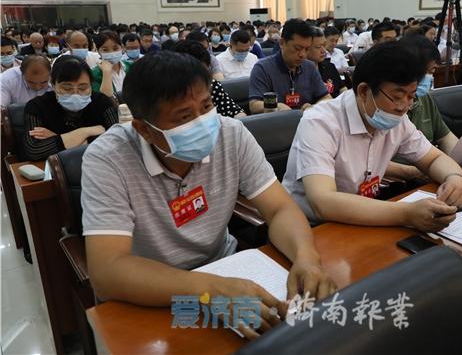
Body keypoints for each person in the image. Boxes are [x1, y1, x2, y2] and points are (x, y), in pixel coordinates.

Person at [81, 51, 335, 338]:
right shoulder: (107, 159)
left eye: (206, 106)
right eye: (185, 116)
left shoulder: (230, 134)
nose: (203, 123)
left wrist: (306, 257)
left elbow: (279, 209)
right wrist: (208, 289)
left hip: (226, 268)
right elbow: (108, 271)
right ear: (144, 129)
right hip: (151, 289)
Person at [282, 41, 462, 229]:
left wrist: (454, 179)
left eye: (411, 97)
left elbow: (433, 158)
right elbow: (323, 202)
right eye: (397, 97)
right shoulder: (320, 122)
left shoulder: (396, 117)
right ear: (364, 91)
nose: (404, 106)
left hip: (367, 216)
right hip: (313, 226)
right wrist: (406, 214)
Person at [384, 36, 459, 185]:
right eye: (426, 72)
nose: (405, 104)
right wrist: (414, 173)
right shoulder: (383, 107)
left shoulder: (424, 98)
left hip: (422, 176)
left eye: (431, 72)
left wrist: (457, 166)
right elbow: (368, 164)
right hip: (393, 183)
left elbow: (443, 138)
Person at [23, 55, 117, 161]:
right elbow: (34, 150)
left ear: (91, 85)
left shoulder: (102, 102)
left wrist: (58, 138)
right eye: (67, 88)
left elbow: (118, 141)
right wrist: (87, 132)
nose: (75, 93)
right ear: (53, 85)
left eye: (83, 88)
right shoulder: (37, 106)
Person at [249, 19, 332, 113]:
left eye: (307, 49)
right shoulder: (263, 68)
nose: (303, 55)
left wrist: (314, 108)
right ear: (282, 43)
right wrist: (277, 106)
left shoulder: (309, 66)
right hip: (278, 124)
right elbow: (254, 105)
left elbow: (326, 97)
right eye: (297, 48)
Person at [174, 40, 246, 118]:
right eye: (194, 75)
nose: (199, 80)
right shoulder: (167, 95)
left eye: (204, 73)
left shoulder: (212, 85)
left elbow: (235, 111)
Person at [91, 31, 132, 100]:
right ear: (98, 51)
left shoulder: (131, 66)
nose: (111, 53)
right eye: (105, 50)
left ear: (121, 48)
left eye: (115, 48)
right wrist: (106, 73)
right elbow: (103, 101)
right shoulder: (94, 74)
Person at [307, 28, 346, 99]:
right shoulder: (301, 72)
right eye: (318, 47)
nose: (323, 51)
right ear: (306, 49)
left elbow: (342, 89)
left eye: (324, 46)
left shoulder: (329, 66)